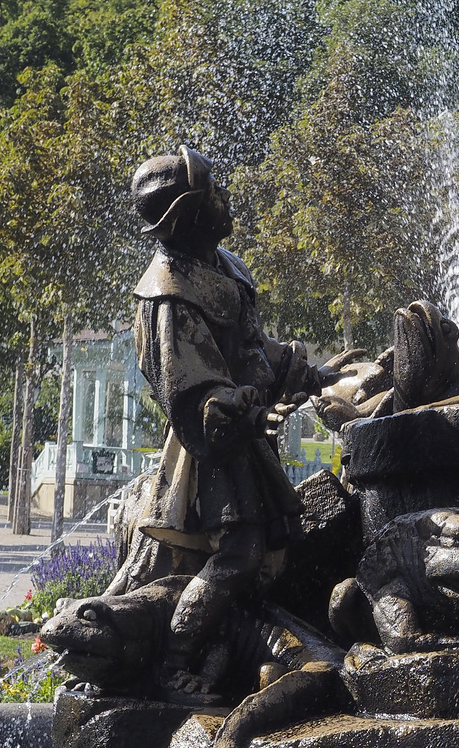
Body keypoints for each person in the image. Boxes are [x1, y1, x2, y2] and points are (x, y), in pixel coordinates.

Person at [128, 145, 341, 700]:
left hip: (245, 438)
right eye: (214, 193)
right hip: (213, 450)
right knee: (239, 554)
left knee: (269, 555)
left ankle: (231, 657)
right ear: (191, 214)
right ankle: (173, 664)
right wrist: (234, 407)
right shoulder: (169, 292)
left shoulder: (223, 268)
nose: (227, 199)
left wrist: (307, 372)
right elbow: (188, 384)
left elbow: (252, 348)